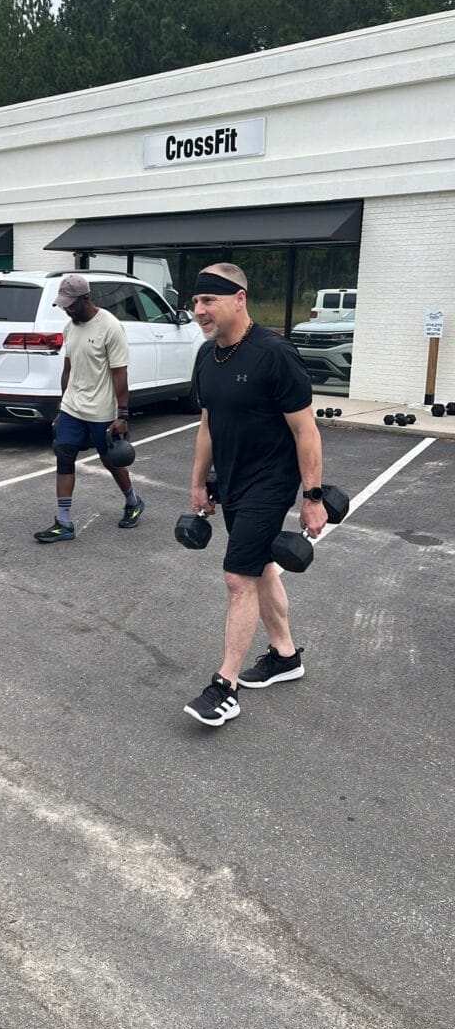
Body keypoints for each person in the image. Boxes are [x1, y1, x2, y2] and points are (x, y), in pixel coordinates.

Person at [183, 263, 327, 726]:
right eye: (196, 302)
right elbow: (207, 424)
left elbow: (306, 431)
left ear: (239, 298)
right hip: (234, 481)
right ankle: (285, 655)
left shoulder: (273, 354)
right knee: (261, 567)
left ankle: (224, 687)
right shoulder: (208, 357)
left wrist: (313, 496)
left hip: (271, 482)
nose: (199, 310)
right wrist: (198, 481)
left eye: (209, 301)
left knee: (237, 577)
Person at [34, 273, 144, 543]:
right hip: (73, 407)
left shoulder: (110, 327)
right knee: (64, 454)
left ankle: (133, 501)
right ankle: (64, 522)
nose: (67, 309)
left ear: (85, 299)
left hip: (102, 411)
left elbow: (120, 374)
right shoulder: (70, 328)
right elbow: (68, 369)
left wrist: (123, 415)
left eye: (71, 304)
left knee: (110, 460)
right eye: (63, 305)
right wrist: (61, 408)